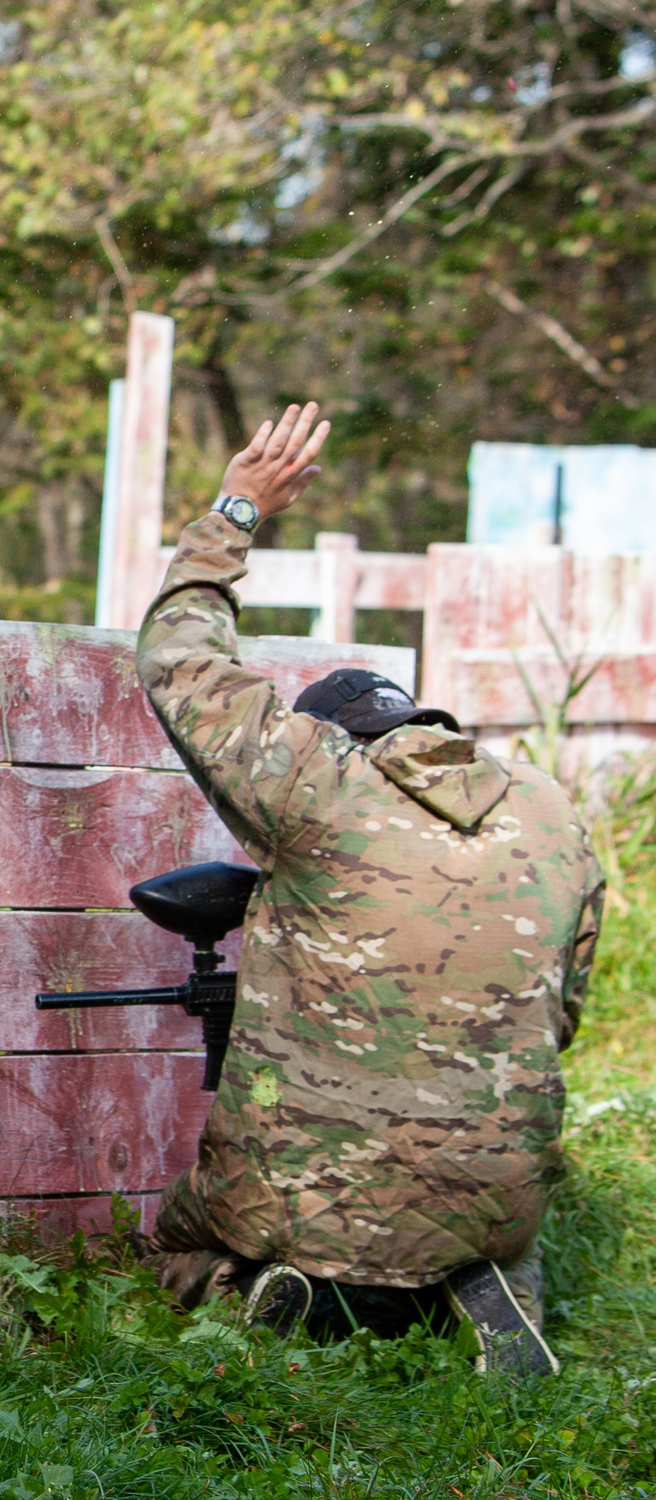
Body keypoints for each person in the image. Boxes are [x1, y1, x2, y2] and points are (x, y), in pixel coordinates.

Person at [137, 400, 601, 1374]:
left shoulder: (319, 782)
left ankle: (274, 1293)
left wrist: (235, 510)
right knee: (464, 1196)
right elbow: (560, 1013)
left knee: (177, 1235)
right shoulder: (552, 813)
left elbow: (180, 659)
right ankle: (489, 1279)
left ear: (339, 740)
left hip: (318, 1194)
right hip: (497, 1190)